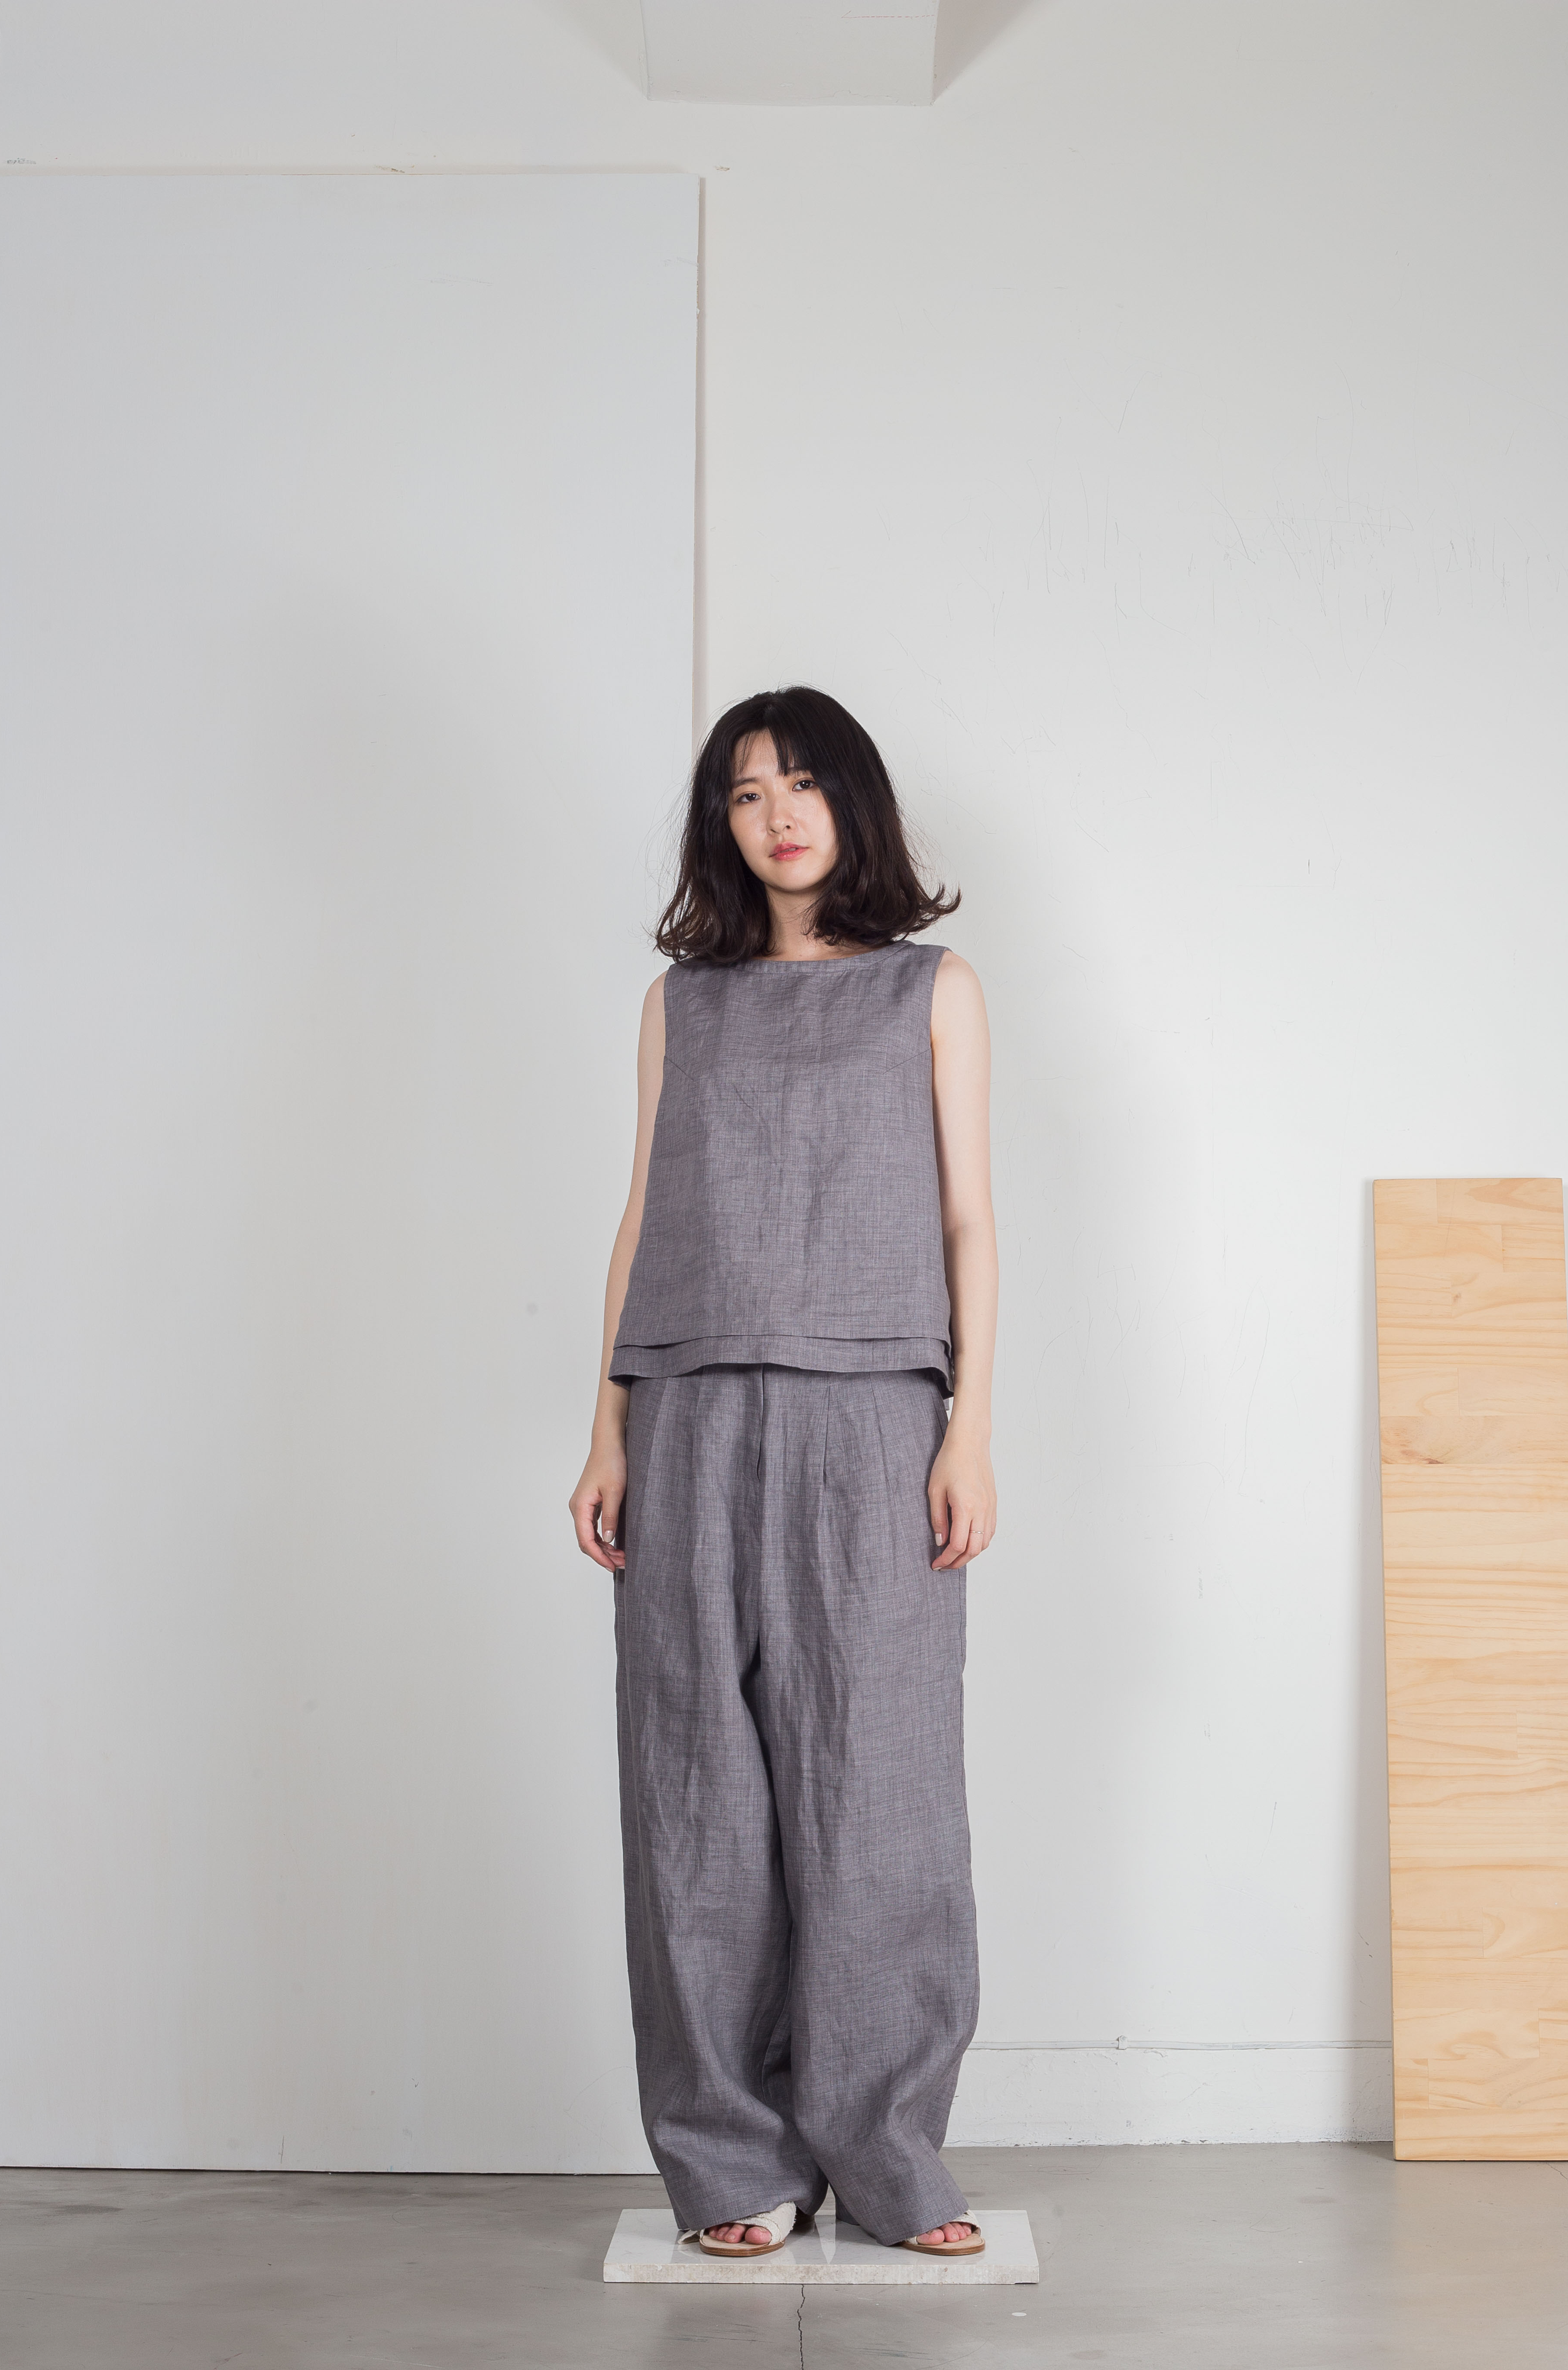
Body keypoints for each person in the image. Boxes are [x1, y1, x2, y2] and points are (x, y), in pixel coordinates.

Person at [568, 685, 998, 2260]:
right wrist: (607, 1424)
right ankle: (730, 2163)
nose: (778, 815)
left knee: (879, 1786)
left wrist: (970, 1424)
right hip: (688, 1408)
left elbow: (967, 1218)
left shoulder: (929, 989)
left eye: (803, 784)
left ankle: (887, 2154)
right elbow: (640, 1214)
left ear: (853, 802)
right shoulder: (679, 1005)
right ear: (723, 826)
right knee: (694, 1789)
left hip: (874, 1415)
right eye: (746, 794)